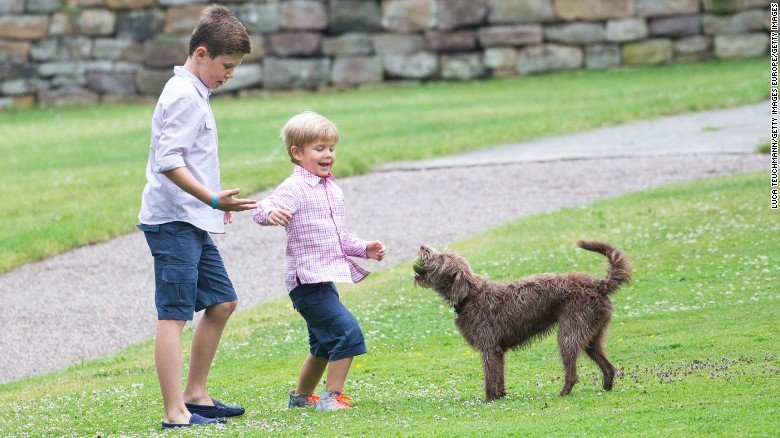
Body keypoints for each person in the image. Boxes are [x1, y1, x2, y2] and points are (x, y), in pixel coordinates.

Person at [137, 4, 256, 430]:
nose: (230, 75)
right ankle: (175, 414)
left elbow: (193, 159)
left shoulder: (195, 93)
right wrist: (211, 200)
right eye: (226, 65)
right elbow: (168, 161)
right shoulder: (183, 94)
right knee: (174, 314)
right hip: (172, 222)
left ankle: (196, 395)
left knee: (222, 302)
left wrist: (211, 210)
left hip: (192, 219)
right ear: (201, 54)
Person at [253, 111, 386, 411]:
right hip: (305, 283)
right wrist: (269, 214)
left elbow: (338, 236)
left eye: (331, 148)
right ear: (297, 153)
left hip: (322, 280)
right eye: (320, 149)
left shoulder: (331, 189)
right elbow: (262, 208)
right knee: (347, 332)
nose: (328, 155)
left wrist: (365, 248)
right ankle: (331, 397)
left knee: (323, 345)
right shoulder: (295, 188)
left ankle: (300, 399)